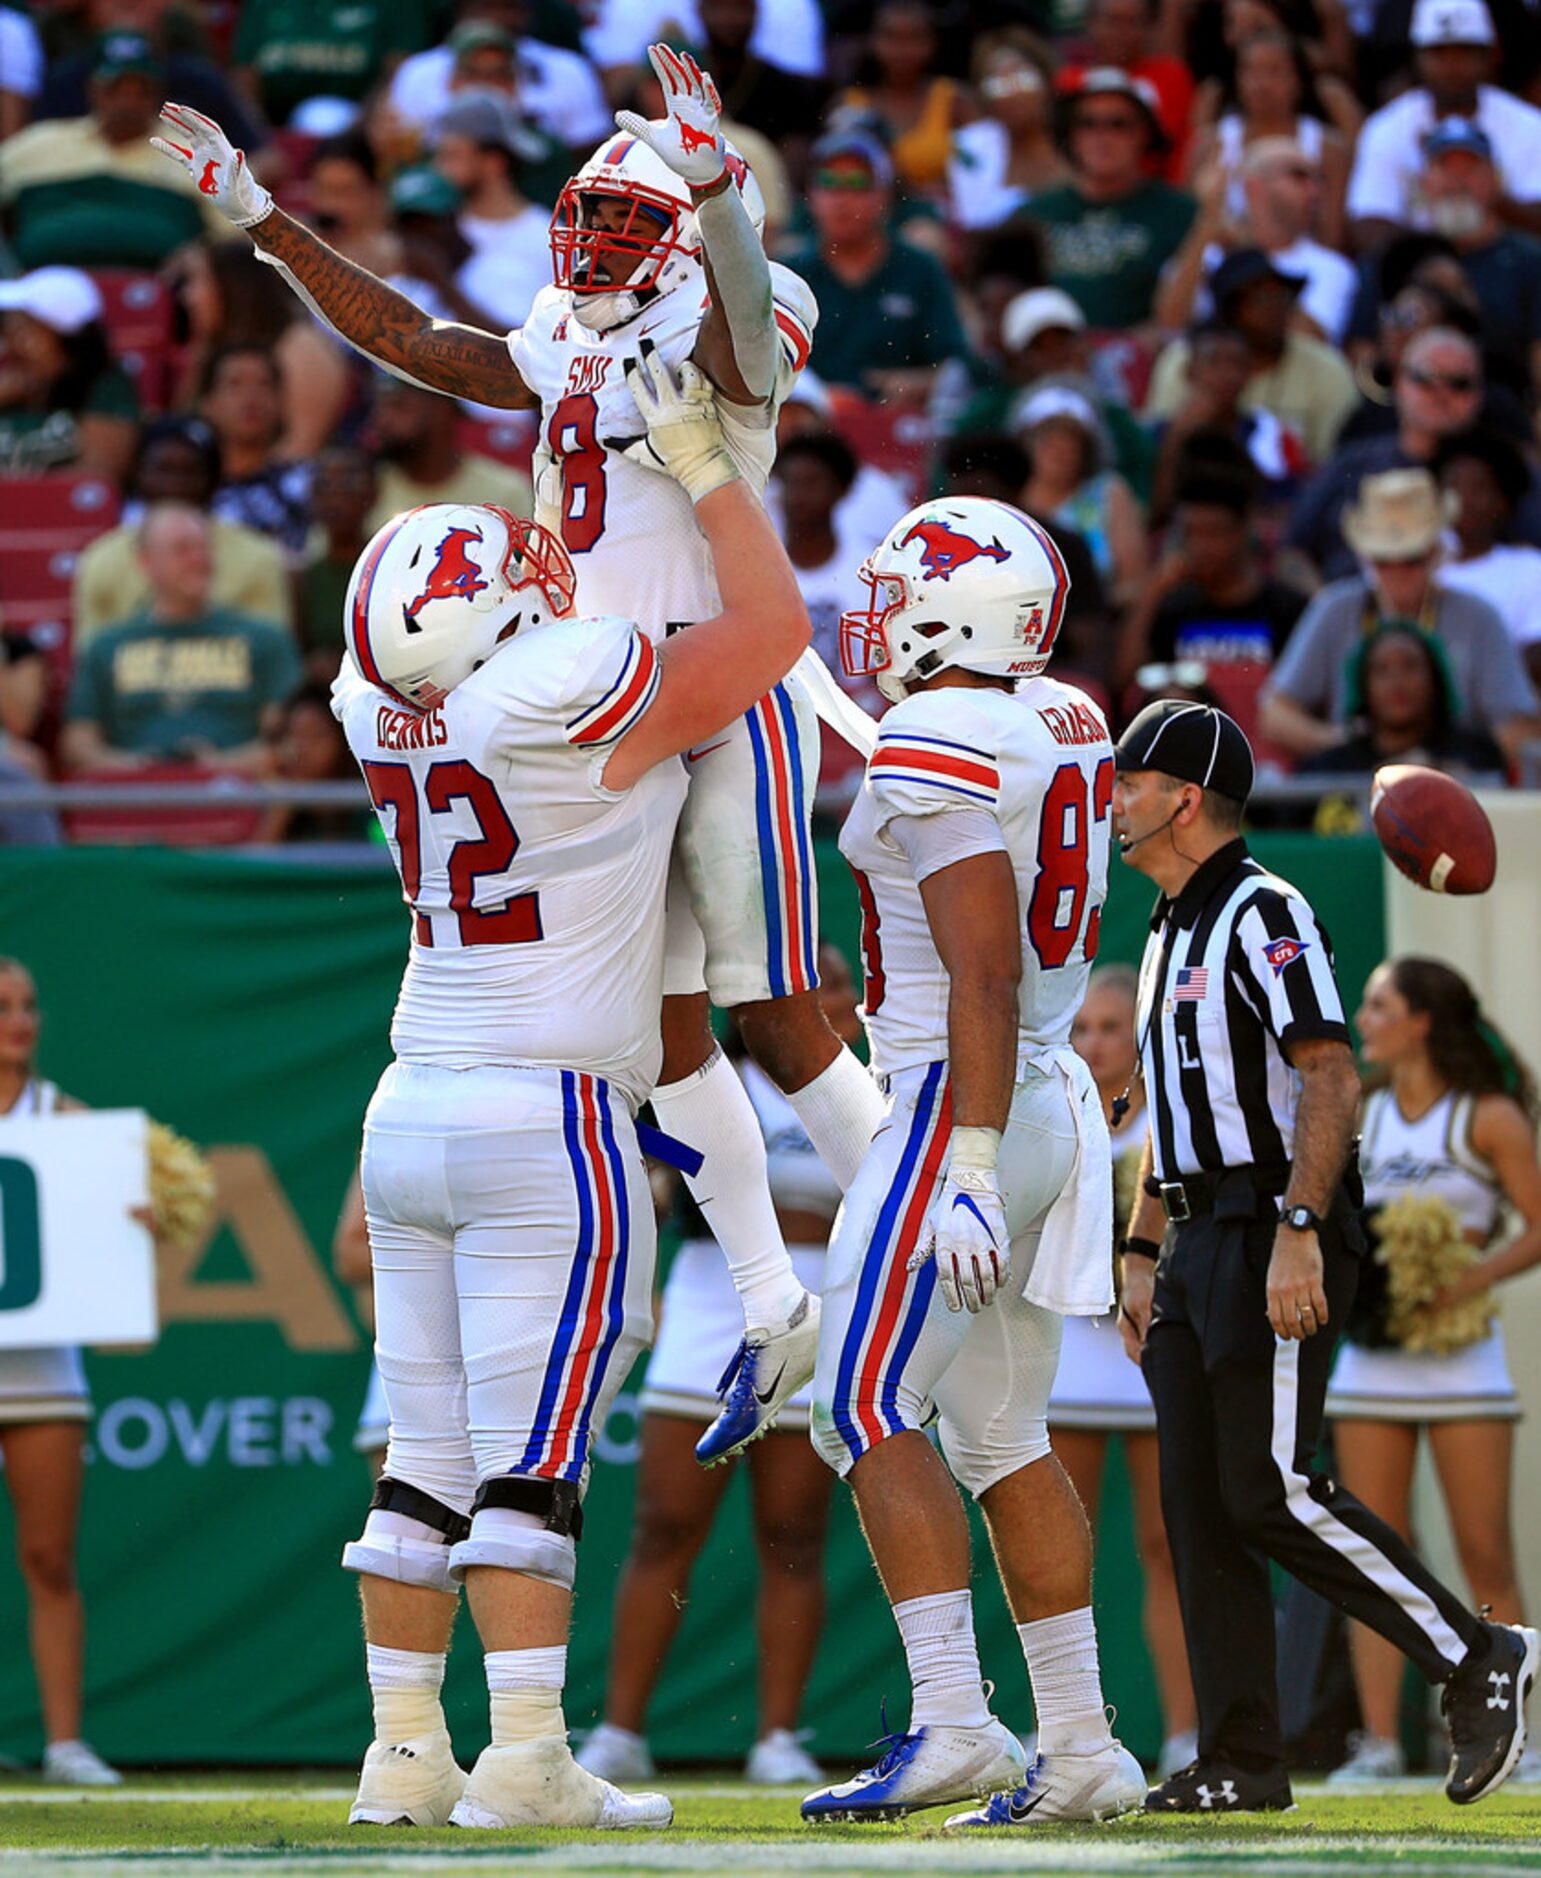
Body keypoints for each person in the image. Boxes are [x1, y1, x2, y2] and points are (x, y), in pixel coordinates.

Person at [156, 62, 887, 1461]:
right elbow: (433, 346)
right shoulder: (563, 320)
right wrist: (268, 221)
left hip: (715, 665)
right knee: (659, 1028)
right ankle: (772, 1295)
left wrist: (722, 187)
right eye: (590, 219)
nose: (600, 247)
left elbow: (750, 354)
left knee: (774, 1004)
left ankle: (912, 1236)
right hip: (586, 699)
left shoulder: (741, 292)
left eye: (633, 221)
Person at [329, 349, 810, 1831]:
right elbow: (774, 630)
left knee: (422, 1462)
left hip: (409, 1105)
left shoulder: (369, 701)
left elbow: (420, 641)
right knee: (529, 1468)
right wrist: (711, 471)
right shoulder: (564, 683)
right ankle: (528, 1754)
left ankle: (403, 1753)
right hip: (549, 1114)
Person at [1112, 697, 1537, 1812]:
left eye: (1128, 781)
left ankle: (1474, 1654)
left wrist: (1297, 1228)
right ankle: (1242, 1759)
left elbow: (1329, 1072)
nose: (1112, 799)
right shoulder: (1163, 928)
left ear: (1182, 798)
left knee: (1272, 1489)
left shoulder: (1262, 907)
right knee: (1202, 1508)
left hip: (1268, 1223)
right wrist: (1140, 1245)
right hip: (1199, 1232)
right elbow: (1177, 1109)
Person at [802, 497, 1145, 1828]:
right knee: (1000, 1435)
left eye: (899, 592)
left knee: (860, 1406)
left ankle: (955, 1719)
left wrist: (967, 1160)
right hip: (1047, 1089)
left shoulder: (939, 734)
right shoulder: (1058, 713)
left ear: (960, 613)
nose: (876, 614)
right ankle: (1084, 1744)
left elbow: (981, 971)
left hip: (968, 1095)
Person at [578, 950, 858, 1791]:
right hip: (710, 1300)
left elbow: (856, 1200)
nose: (833, 1000)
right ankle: (620, 1733)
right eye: (817, 987)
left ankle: (777, 1735)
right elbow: (671, 1172)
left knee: (795, 1534)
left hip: (819, 1302)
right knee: (663, 1522)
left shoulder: (861, 1089)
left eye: (839, 988)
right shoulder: (708, 1081)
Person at [1326, 960, 1541, 1783]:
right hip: (1371, 1361)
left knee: (1484, 1550)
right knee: (1377, 1552)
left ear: (1420, 1021)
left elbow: (1533, 1225)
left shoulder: (1484, 1116)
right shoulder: (1361, 1112)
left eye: (1378, 1005)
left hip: (1463, 1362)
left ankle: (1511, 1739)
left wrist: (1461, 1279)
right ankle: (1378, 1741)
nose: (1363, 1017)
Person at [1051, 964, 1197, 1779]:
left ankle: (1184, 1732)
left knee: (1166, 1544)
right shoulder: (1050, 1112)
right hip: (1070, 1352)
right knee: (1059, 1549)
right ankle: (1068, 1732)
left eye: (1110, 1028)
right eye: (1080, 1029)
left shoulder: (1171, 1124)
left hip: (1150, 1352)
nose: (1094, 1043)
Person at [0, 958, 120, 1788]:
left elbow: (110, 1257)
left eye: (29, 1005)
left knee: (48, 1556)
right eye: (2, 1007)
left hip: (43, 1373)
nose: (20, 1019)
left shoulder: (72, 1122)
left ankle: (66, 1743)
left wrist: (134, 1218)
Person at [1261, 467, 1541, 767]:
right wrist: (1351, 747)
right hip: (1355, 784)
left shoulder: (1478, 616)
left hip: (1456, 782)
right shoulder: (1335, 608)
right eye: (1383, 561)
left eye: (1411, 559)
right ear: (1365, 558)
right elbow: (1275, 713)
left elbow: (1520, 729)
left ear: (1436, 552)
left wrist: (1461, 757)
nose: (1398, 574)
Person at [62, 503, 300, 775]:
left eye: (204, 547)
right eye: (182, 549)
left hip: (236, 796)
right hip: (133, 800)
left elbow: (288, 743)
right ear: (145, 562)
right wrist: (134, 770)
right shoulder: (105, 646)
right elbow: (76, 743)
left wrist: (219, 766)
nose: (199, 558)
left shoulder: (265, 639)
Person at [0, 30, 230, 268]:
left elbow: (238, 239)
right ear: (92, 90)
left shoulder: (202, 158)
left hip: (160, 290)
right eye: (115, 89)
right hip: (38, 287)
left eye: (140, 91)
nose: (127, 103)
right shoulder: (39, 144)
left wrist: (197, 255)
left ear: (159, 93)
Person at [73, 416, 292, 648]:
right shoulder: (100, 560)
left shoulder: (258, 559)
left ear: (212, 480)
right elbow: (92, 663)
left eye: (189, 471)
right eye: (162, 470)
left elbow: (272, 657)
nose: (174, 484)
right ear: (138, 476)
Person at [791, 127, 968, 406]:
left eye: (857, 183)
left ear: (883, 195)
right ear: (810, 195)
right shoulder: (789, 273)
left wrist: (919, 383)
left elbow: (956, 365)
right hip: (805, 427)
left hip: (895, 425)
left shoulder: (920, 269)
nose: (841, 198)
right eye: (828, 182)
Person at [1347, 0, 1541, 248]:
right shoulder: (1385, 127)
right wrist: (1431, 255)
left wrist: (1494, 200)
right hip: (1420, 269)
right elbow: (1368, 221)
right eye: (1439, 53)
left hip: (1508, 264)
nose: (1452, 65)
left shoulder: (1529, 124)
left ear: (1490, 56)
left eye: (1464, 52)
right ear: (1416, 57)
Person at [1145, 249, 1357, 472]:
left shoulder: (1326, 367)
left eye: (1282, 296)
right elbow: (1153, 456)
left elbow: (1337, 465)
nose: (1276, 308)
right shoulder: (1182, 359)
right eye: (1261, 299)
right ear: (1229, 310)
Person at [1026, 68, 1196, 332]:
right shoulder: (1033, 215)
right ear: (1070, 136)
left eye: (1119, 124)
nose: (1102, 137)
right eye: (1088, 123)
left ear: (1145, 133)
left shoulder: (1183, 215)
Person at [1158, 134, 1357, 345]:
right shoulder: (1209, 255)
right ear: (1253, 186)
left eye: (1318, 180)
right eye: (1298, 176)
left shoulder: (1331, 268)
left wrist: (1245, 257)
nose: (1315, 191)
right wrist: (1207, 221)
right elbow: (1170, 322)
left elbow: (1305, 341)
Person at [1118, 470, 1305, 687]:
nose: (1201, 547)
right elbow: (1126, 680)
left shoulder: (1287, 610)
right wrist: (1152, 592)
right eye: (1190, 533)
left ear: (1243, 532)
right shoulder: (1173, 608)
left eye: (1213, 533)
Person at [1185, 31, 1351, 248]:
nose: (1260, 83)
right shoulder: (1209, 145)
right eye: (1250, 71)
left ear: (1298, 79)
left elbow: (1333, 238)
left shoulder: (1330, 149)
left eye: (1274, 71)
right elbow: (1188, 229)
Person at [1294, 620, 1507, 784]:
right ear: (1363, 686)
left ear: (1436, 679)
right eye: (1382, 669)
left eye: (1411, 665)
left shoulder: (1477, 755)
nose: (1397, 682)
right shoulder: (1327, 769)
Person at [1016, 382, 1147, 611]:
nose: (1059, 449)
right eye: (1047, 439)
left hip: (1096, 620)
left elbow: (1133, 582)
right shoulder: (1008, 497)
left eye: (1071, 441)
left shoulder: (1110, 493)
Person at [0, 266, 137, 481]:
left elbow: (98, 474)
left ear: (62, 335)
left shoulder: (105, 384)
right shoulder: (7, 379)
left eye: (24, 327)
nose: (10, 339)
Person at [429, 93, 551, 332]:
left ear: (494, 162)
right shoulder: (429, 225)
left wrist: (439, 280)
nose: (440, 169)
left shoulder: (548, 238)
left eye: (453, 155)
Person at [1436, 430, 1541, 681]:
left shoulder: (1529, 569)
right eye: (1454, 486)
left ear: (1504, 502)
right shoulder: (1409, 566)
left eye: (1479, 488)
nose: (1465, 499)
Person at [230, 0, 435, 128]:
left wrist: (363, 126)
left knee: (322, 117)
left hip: (355, 120)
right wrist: (258, 133)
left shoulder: (394, 5)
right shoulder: (265, 5)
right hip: (273, 123)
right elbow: (245, 74)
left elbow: (400, 72)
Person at [836, 0, 964, 194]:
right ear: (872, 41)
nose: (902, 49)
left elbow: (980, 173)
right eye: (891, 37)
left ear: (932, 42)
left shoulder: (956, 99)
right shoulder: (848, 104)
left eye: (914, 37)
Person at [200, 345, 313, 556]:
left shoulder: (308, 485)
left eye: (264, 384)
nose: (251, 398)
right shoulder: (189, 491)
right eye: (235, 384)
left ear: (280, 402)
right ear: (207, 404)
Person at [948, 30, 1067, 231]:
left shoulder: (1080, 135)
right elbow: (973, 222)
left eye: (1022, 77)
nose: (1013, 92)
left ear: (1046, 81)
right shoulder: (969, 146)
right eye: (997, 84)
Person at [294, 445, 379, 681]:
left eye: (348, 484)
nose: (334, 497)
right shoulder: (303, 579)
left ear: (373, 493)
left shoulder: (390, 568)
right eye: (323, 486)